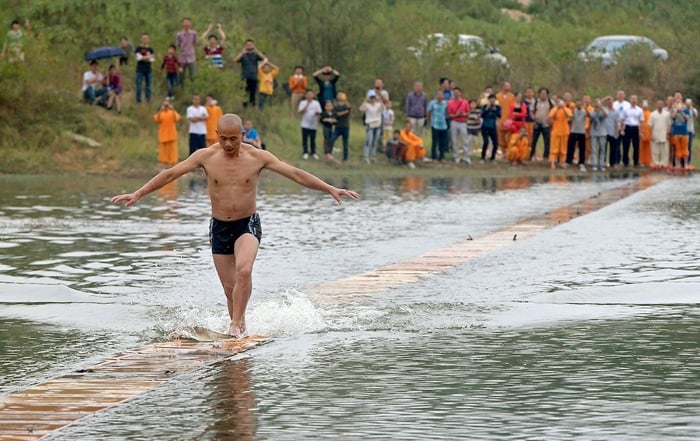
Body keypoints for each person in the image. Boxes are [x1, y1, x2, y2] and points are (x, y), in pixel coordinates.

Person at [111, 114, 359, 338]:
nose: (228, 144)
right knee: (230, 290)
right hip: (219, 227)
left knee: (244, 270)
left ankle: (235, 324)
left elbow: (295, 173)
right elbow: (170, 174)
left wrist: (329, 188)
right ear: (216, 136)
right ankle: (239, 327)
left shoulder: (258, 157)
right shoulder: (205, 156)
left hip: (246, 224)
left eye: (234, 139)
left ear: (243, 136)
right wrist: (139, 193)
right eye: (223, 139)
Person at [234, 39, 267, 107]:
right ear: (245, 46)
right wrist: (242, 53)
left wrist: (256, 51)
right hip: (244, 77)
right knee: (244, 94)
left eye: (251, 45)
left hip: (253, 77)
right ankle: (244, 108)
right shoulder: (243, 55)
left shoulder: (255, 55)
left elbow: (264, 59)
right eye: (248, 45)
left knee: (253, 94)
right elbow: (235, 60)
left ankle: (252, 108)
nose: (249, 46)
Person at [153, 99, 181, 169]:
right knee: (163, 152)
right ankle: (163, 164)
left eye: (167, 105)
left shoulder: (172, 113)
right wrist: (160, 110)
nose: (166, 106)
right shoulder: (161, 113)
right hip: (163, 135)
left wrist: (173, 109)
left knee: (173, 151)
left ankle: (174, 164)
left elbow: (177, 118)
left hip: (172, 135)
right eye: (165, 105)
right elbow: (157, 119)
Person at [548, 95, 573, 169]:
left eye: (560, 102)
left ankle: (562, 162)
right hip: (556, 131)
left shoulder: (566, 109)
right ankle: (552, 162)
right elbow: (551, 117)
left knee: (563, 148)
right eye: (558, 102)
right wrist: (557, 109)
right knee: (554, 148)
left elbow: (570, 116)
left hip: (564, 131)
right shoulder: (554, 109)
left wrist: (563, 109)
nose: (559, 103)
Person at [446, 87, 470, 164]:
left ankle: (465, 156)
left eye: (458, 92)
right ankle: (456, 156)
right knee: (454, 140)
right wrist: (455, 115)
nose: (456, 94)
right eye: (455, 92)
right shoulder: (450, 103)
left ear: (460, 93)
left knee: (465, 140)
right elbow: (449, 115)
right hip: (454, 122)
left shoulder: (465, 102)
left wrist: (463, 114)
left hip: (463, 122)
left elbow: (468, 113)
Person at [359, 91, 384, 164]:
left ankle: (373, 156)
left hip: (377, 124)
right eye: (371, 97)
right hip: (370, 124)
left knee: (375, 141)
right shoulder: (367, 105)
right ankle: (366, 157)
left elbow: (383, 108)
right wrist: (366, 100)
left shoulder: (378, 105)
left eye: (374, 97)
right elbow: (361, 109)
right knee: (368, 141)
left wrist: (380, 99)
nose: (373, 99)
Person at [620, 95, 644, 167]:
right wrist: (622, 129)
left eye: (635, 99)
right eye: (632, 99)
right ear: (630, 100)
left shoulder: (639, 110)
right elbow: (622, 120)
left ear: (637, 101)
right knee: (625, 146)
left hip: (635, 128)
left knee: (636, 146)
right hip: (627, 127)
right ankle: (625, 162)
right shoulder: (625, 109)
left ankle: (636, 162)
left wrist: (641, 132)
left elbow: (641, 121)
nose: (633, 101)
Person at [530, 87, 553, 161]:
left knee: (547, 141)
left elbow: (554, 112)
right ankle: (531, 156)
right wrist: (533, 118)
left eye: (545, 93)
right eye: (542, 93)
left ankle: (546, 157)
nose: (543, 95)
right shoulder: (535, 101)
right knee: (534, 140)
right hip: (537, 124)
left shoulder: (550, 102)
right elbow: (531, 111)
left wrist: (551, 120)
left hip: (546, 124)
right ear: (539, 94)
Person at [298, 89, 322, 160]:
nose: (309, 96)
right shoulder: (303, 102)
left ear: (313, 95)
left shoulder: (316, 103)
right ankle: (305, 152)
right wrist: (307, 105)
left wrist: (316, 112)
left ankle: (313, 152)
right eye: (308, 94)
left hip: (313, 125)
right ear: (306, 95)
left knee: (312, 139)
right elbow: (301, 111)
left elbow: (320, 112)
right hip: (304, 124)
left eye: (311, 94)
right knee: (305, 139)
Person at [648, 99, 671, 168]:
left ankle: (664, 164)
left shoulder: (667, 114)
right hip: (655, 133)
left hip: (664, 133)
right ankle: (656, 163)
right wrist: (651, 135)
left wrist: (668, 133)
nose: (660, 106)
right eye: (658, 104)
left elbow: (669, 124)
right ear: (656, 105)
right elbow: (650, 125)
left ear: (663, 105)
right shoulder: (652, 114)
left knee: (664, 151)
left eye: (661, 104)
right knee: (655, 150)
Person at [566, 100, 588, 171]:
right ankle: (569, 160)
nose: (578, 105)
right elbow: (569, 117)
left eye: (580, 104)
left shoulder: (584, 111)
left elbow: (588, 115)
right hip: (573, 131)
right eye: (577, 104)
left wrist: (585, 107)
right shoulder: (573, 111)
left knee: (582, 148)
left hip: (581, 132)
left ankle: (581, 161)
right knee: (571, 147)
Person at [428, 89, 449, 162]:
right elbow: (428, 112)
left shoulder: (445, 103)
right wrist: (429, 121)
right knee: (435, 141)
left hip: (443, 125)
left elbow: (447, 112)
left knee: (442, 142)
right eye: (438, 95)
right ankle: (434, 157)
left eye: (441, 95)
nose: (440, 96)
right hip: (435, 124)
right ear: (436, 95)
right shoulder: (432, 103)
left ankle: (442, 156)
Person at [329, 92, 351, 161]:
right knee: (332, 140)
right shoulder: (336, 106)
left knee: (345, 143)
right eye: (338, 95)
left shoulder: (345, 105)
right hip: (338, 126)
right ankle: (329, 154)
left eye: (340, 95)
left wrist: (346, 100)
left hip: (345, 126)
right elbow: (336, 114)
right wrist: (344, 112)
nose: (339, 96)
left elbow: (349, 109)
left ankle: (345, 158)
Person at [670, 96, 691, 169]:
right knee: (678, 148)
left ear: (682, 104)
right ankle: (678, 164)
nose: (678, 103)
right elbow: (673, 117)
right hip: (676, 132)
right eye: (677, 102)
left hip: (684, 132)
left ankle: (685, 164)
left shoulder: (686, 110)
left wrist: (681, 111)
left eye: (679, 102)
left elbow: (687, 118)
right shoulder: (673, 110)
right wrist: (676, 110)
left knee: (685, 148)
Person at [134, 33, 155, 104]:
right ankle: (138, 100)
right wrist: (148, 57)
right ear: (141, 39)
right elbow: (138, 58)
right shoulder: (138, 48)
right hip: (140, 69)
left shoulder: (150, 49)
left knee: (148, 86)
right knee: (139, 85)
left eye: (146, 38)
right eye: (143, 38)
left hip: (148, 70)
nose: (145, 40)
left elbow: (152, 59)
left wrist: (143, 57)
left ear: (148, 39)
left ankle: (148, 100)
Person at [176, 18, 197, 84]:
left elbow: (194, 43)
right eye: (185, 22)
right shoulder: (179, 34)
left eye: (188, 22)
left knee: (193, 76)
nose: (186, 24)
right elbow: (178, 45)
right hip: (182, 58)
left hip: (191, 57)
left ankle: (194, 91)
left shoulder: (194, 33)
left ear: (190, 24)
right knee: (181, 75)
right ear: (182, 24)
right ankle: (181, 90)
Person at [589, 98, 608, 171]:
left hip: (602, 133)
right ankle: (594, 164)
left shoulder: (604, 110)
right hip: (593, 133)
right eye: (596, 103)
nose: (597, 104)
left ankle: (601, 164)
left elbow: (606, 115)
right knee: (593, 149)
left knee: (602, 149)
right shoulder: (592, 112)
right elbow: (590, 119)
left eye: (598, 103)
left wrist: (601, 108)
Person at [481, 94, 501, 161]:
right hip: (485, 126)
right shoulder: (484, 106)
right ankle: (483, 156)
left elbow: (499, 115)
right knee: (486, 142)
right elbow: (482, 115)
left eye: (493, 99)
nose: (492, 100)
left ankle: (492, 157)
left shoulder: (497, 107)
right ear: (488, 100)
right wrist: (487, 108)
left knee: (495, 143)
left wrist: (495, 110)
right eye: (491, 99)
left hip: (493, 126)